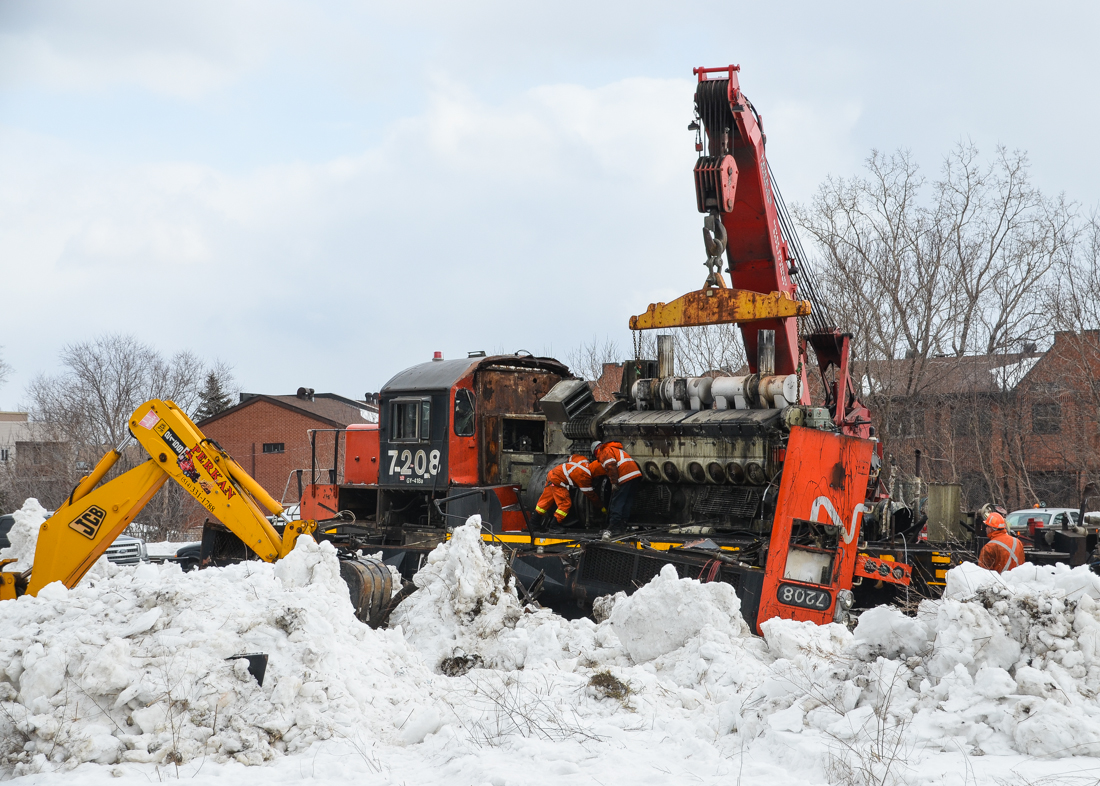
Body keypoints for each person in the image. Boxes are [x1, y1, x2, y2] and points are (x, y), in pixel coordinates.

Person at [534, 453, 604, 527]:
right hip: (558, 480)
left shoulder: (583, 459)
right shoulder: (585, 477)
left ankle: (534, 523)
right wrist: (600, 507)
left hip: (552, 474)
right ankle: (554, 525)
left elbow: (572, 457)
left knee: (545, 502)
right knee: (565, 504)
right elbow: (591, 495)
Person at [589, 440, 642, 529]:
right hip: (635, 475)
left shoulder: (604, 451)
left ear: (595, 451)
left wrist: (614, 483)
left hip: (625, 475)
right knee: (627, 502)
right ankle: (623, 524)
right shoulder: (615, 449)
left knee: (617, 502)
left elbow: (611, 466)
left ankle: (614, 526)